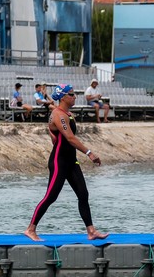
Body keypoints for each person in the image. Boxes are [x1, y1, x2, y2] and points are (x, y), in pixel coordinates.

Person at [24, 84, 108, 242]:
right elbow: (69, 138)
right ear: (63, 97)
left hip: (71, 160)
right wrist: (89, 153)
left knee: (83, 194)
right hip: (59, 161)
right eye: (71, 94)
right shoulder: (59, 115)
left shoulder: (67, 114)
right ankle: (30, 229)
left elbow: (55, 136)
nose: (75, 96)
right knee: (51, 196)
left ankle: (91, 231)